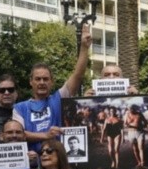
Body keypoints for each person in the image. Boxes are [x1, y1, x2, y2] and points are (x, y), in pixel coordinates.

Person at [13, 23, 91, 153]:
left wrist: (84, 48)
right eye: (38, 79)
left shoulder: (59, 98)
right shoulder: (19, 108)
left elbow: (78, 75)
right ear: (30, 82)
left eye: (46, 79)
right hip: (33, 165)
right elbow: (17, 134)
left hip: (58, 162)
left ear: (52, 82)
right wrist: (46, 135)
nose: (42, 82)